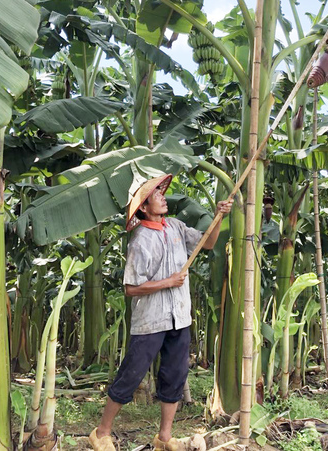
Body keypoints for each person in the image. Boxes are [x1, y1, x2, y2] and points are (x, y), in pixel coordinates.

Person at [89, 174, 233, 451]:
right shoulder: (140, 241)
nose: (163, 196)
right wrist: (168, 282)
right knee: (131, 374)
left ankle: (164, 438)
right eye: (156, 194)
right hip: (150, 321)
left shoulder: (176, 227)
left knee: (175, 375)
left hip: (179, 316)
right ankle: (102, 432)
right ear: (143, 207)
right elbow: (131, 288)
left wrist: (218, 217)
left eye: (161, 192)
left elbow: (209, 243)